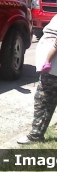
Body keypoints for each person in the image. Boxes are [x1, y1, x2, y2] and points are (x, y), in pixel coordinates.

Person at [17, 15, 57, 144]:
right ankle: (36, 135)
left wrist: (48, 60)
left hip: (53, 67)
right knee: (44, 99)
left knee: (44, 99)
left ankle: (36, 135)